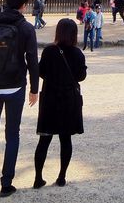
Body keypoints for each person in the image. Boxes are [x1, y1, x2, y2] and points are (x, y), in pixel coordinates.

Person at [0, 0, 39, 197]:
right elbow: (32, 60)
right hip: (15, 85)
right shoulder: (26, 28)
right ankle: (7, 182)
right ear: (24, 4)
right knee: (12, 134)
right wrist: (34, 89)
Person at [33, 18, 87, 188]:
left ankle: (38, 178)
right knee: (66, 140)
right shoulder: (78, 53)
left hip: (50, 97)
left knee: (44, 140)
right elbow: (80, 77)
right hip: (68, 99)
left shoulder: (49, 51)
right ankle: (62, 176)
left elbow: (40, 71)